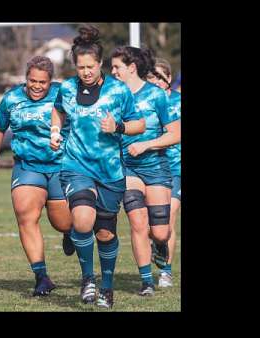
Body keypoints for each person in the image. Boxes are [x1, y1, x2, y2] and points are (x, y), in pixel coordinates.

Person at [49, 26, 146, 308]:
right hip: (76, 165)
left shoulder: (119, 91)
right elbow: (58, 110)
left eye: (90, 67)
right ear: (75, 66)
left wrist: (118, 126)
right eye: (81, 67)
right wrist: (55, 131)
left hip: (111, 172)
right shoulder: (66, 88)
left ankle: (106, 286)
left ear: (100, 65)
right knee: (81, 220)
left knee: (105, 233)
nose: (86, 72)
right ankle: (87, 279)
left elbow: (139, 124)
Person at [0, 55, 74, 298]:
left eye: (42, 82)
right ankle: (41, 276)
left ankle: (69, 232)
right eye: (32, 81)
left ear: (50, 81)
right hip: (27, 166)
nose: (36, 86)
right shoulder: (12, 98)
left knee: (62, 222)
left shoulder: (63, 94)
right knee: (25, 215)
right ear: (26, 78)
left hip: (60, 165)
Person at [110, 46, 181, 296]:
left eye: (117, 66)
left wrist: (146, 144)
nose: (112, 71)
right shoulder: (112, 95)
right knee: (138, 223)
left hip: (157, 169)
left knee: (160, 232)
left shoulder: (156, 96)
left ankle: (160, 246)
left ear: (131, 68)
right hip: (127, 170)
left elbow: (175, 134)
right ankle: (146, 281)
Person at [145, 58, 181, 288]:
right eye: (150, 77)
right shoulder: (143, 102)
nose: (154, 81)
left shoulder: (178, 102)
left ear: (168, 78)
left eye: (159, 76)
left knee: (169, 217)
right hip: (150, 168)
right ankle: (158, 248)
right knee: (152, 226)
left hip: (176, 168)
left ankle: (166, 271)